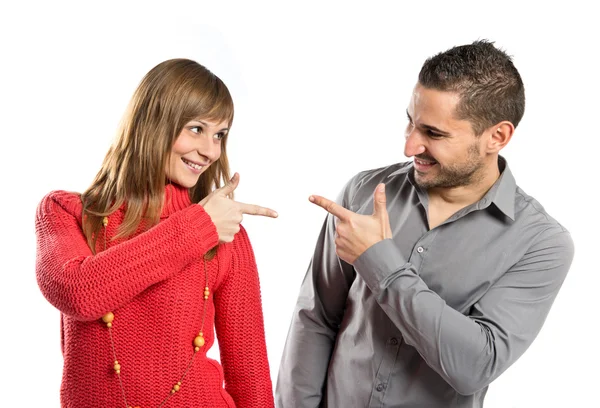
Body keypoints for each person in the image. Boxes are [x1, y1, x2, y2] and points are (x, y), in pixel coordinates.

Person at [276, 40, 574, 408]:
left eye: (433, 134)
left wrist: (381, 263)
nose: (410, 146)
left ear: (497, 137)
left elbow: (474, 366)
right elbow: (316, 317)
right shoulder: (365, 191)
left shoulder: (541, 243)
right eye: (410, 123)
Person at [35, 58, 277, 408]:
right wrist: (199, 226)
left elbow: (250, 374)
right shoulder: (68, 211)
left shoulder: (226, 233)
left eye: (219, 135)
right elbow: (77, 292)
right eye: (196, 128)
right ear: (153, 123)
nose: (210, 151)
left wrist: (207, 226)